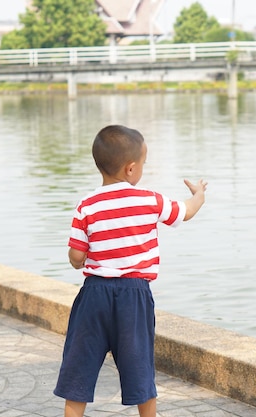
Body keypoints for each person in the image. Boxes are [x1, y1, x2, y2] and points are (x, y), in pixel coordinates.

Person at [53, 124, 207, 417]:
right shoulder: (149, 199)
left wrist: (80, 260)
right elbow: (185, 211)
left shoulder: (86, 205)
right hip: (133, 296)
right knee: (140, 369)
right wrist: (199, 194)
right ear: (131, 169)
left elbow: (76, 255)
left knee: (78, 370)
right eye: (144, 165)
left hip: (94, 295)